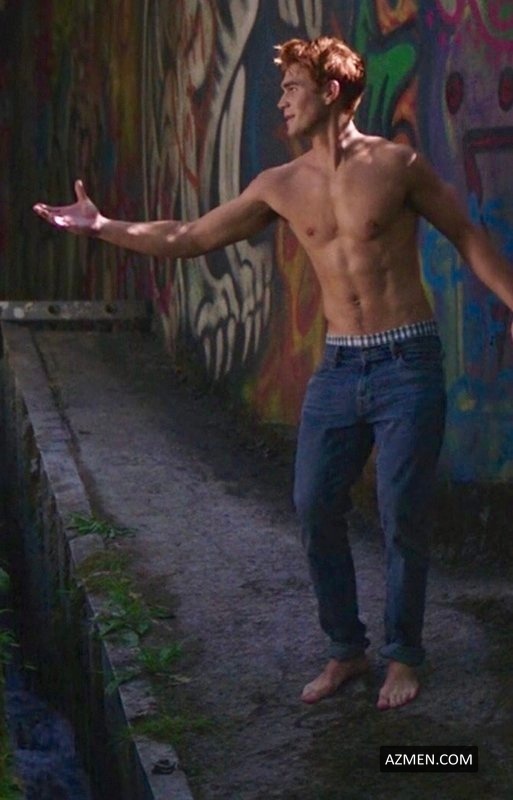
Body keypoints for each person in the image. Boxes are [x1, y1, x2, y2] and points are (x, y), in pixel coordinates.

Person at [33, 36, 513, 710]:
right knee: (313, 504)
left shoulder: (396, 165)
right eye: (283, 88)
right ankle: (346, 648)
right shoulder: (279, 185)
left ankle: (403, 655)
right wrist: (103, 226)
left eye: (293, 87)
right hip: (340, 367)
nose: (282, 100)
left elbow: (466, 235)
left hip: (407, 362)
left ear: (331, 91)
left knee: (400, 512)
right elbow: (189, 237)